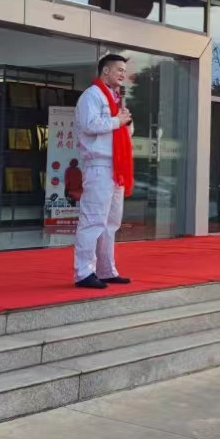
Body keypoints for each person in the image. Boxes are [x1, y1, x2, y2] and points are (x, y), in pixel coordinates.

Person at [72, 54, 134, 289]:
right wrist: (117, 121)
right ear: (105, 71)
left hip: (116, 166)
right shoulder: (92, 95)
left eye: (124, 70)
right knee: (93, 220)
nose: (122, 74)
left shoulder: (116, 99)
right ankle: (83, 272)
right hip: (99, 165)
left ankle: (106, 270)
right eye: (119, 69)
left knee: (111, 222)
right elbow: (89, 125)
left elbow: (123, 132)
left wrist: (125, 122)